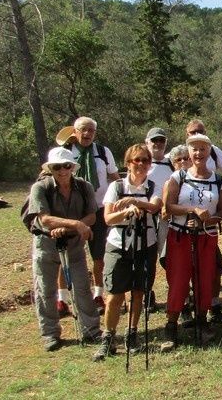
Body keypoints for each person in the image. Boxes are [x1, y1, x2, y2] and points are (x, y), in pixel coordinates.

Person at [22, 147, 102, 351]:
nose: (63, 170)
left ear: (72, 167)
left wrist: (73, 226)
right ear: (51, 168)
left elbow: (92, 216)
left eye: (67, 166)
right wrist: (75, 225)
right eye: (57, 167)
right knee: (45, 290)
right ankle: (50, 334)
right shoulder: (40, 188)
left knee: (82, 288)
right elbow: (44, 218)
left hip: (74, 246)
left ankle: (91, 330)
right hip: (47, 245)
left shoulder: (84, 186)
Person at [93, 144, 162, 361]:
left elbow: (154, 207)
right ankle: (108, 337)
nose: (140, 164)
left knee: (139, 291)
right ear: (127, 163)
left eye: (144, 160)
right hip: (118, 244)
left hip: (146, 243)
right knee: (115, 293)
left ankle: (132, 335)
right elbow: (107, 218)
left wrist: (134, 202)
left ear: (150, 164)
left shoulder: (153, 186)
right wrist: (126, 212)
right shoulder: (116, 186)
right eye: (136, 160)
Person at [160, 133, 222, 351]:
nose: (198, 153)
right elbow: (168, 206)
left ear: (209, 151)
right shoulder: (178, 177)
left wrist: (212, 218)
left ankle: (201, 321)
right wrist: (192, 210)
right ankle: (171, 327)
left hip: (206, 237)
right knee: (179, 280)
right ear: (189, 152)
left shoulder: (217, 179)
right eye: (194, 149)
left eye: (203, 149)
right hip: (180, 235)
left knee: (204, 279)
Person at [64, 117, 120, 315]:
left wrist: (125, 193)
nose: (87, 134)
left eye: (91, 130)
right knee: (68, 254)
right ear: (75, 131)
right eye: (83, 130)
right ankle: (62, 299)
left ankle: (98, 294)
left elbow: (114, 176)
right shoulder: (67, 152)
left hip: (99, 209)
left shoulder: (103, 152)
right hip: (73, 211)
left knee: (99, 255)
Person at [144, 127, 172, 312]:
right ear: (147, 142)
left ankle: (176, 293)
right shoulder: (142, 163)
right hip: (145, 217)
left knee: (168, 257)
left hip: (166, 218)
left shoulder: (171, 164)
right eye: (154, 140)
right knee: (147, 258)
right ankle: (147, 294)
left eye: (161, 140)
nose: (158, 144)